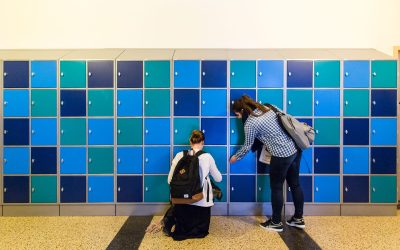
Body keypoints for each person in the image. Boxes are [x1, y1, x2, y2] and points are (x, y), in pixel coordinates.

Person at [229, 95, 305, 232]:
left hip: (281, 155)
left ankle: (276, 222)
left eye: (237, 114)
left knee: (276, 187)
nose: (238, 118)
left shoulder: (251, 123)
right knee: (295, 184)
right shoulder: (268, 107)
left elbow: (247, 146)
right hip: (295, 149)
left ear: (242, 110)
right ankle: (298, 219)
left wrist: (235, 157)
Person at [167, 130, 222, 240]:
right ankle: (198, 232)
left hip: (181, 202)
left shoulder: (179, 155)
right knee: (211, 186)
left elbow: (170, 180)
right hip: (201, 202)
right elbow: (219, 179)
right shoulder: (207, 157)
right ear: (203, 142)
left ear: (190, 142)